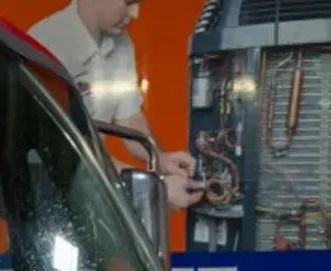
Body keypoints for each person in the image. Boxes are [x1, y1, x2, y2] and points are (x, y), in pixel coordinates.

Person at [28, 0, 204, 210]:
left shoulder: (121, 43)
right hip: (42, 181)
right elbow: (67, 147)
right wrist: (154, 187)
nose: (136, 13)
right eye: (129, 2)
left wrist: (158, 158)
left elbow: (128, 117)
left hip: (88, 172)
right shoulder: (48, 42)